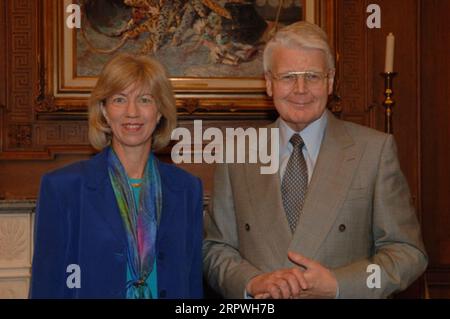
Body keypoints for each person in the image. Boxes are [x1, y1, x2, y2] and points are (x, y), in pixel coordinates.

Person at [203, 21, 428, 299]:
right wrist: (251, 283)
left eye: (312, 76)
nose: (300, 89)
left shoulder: (374, 151)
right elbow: (215, 249)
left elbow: (407, 253)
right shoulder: (236, 154)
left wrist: (340, 285)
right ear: (269, 84)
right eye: (287, 77)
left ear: (330, 81)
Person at [31, 53, 203, 298]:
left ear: (160, 112)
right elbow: (47, 284)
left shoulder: (187, 189)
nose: (132, 112)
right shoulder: (63, 188)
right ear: (104, 111)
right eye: (119, 99)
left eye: (145, 100)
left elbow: (192, 282)